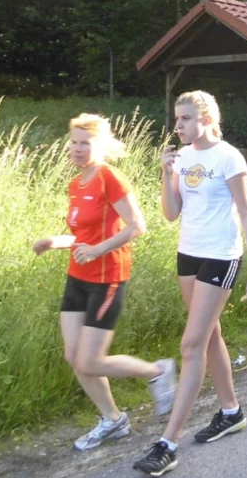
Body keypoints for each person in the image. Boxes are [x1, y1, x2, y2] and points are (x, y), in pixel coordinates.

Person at [133, 91, 247, 476]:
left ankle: (168, 443)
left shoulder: (228, 156)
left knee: (191, 344)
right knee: (208, 336)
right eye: (177, 118)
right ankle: (231, 411)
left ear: (206, 118)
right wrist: (164, 172)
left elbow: (246, 212)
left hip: (221, 254)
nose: (178, 125)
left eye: (186, 119)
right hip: (188, 252)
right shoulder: (183, 156)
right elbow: (172, 214)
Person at [33, 114, 176, 453]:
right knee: (73, 355)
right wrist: (54, 241)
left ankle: (157, 371)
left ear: (100, 146)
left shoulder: (109, 178)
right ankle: (113, 420)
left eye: (86, 143)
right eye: (74, 142)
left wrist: (97, 249)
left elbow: (136, 226)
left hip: (107, 278)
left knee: (89, 360)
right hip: (77, 278)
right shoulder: (76, 183)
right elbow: (81, 236)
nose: (78, 149)